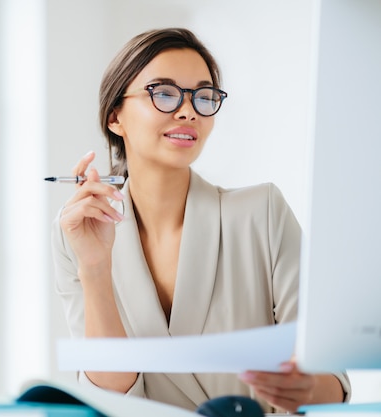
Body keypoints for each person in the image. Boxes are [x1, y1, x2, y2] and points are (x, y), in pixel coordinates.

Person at [50, 28, 350, 413]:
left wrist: (305, 388)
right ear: (115, 117)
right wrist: (94, 267)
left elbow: (331, 378)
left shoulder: (263, 212)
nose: (189, 110)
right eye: (164, 92)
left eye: (204, 96)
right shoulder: (75, 230)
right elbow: (109, 396)